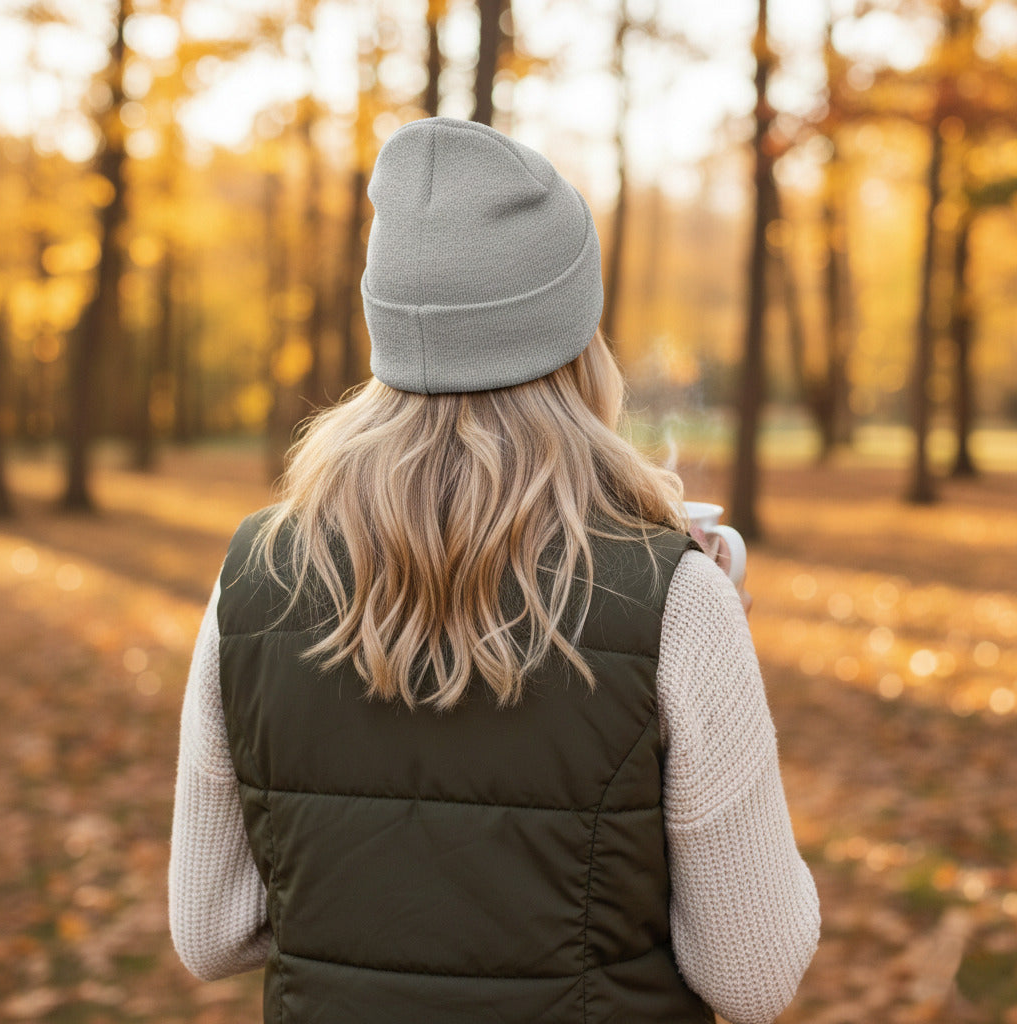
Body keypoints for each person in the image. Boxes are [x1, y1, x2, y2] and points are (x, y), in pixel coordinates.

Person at [168, 116, 819, 1024]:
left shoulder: (254, 579)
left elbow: (209, 934)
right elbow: (753, 976)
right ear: (575, 339)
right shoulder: (676, 599)